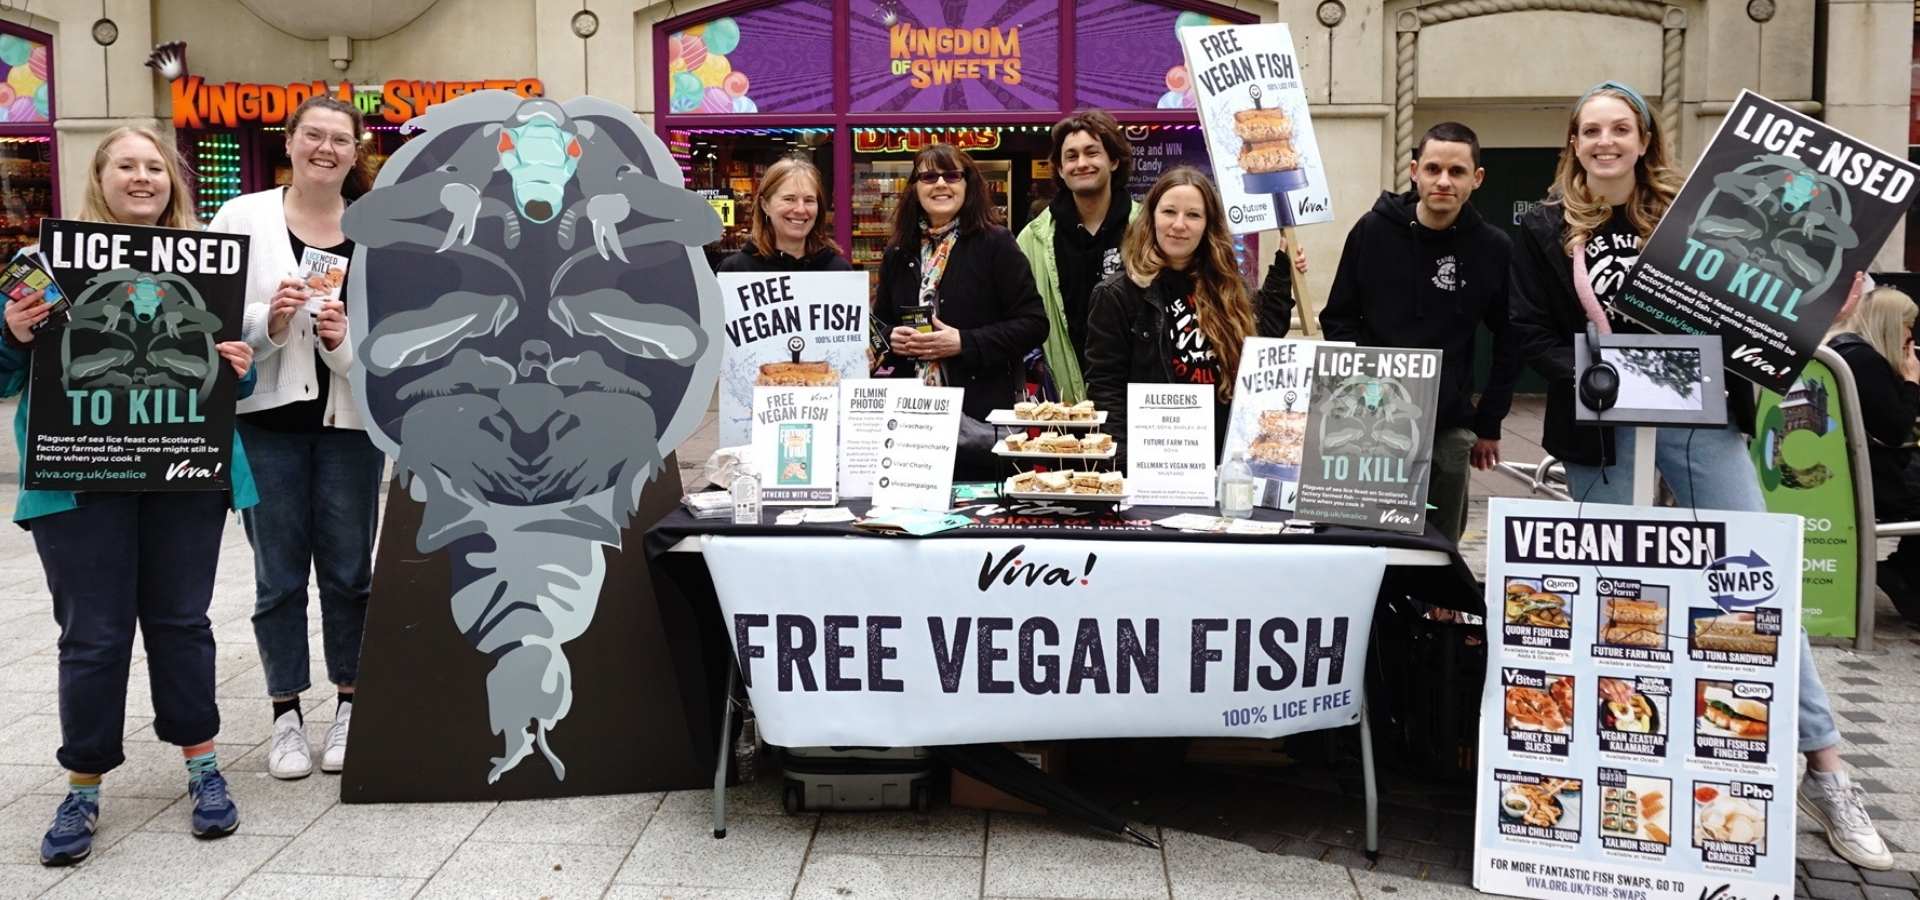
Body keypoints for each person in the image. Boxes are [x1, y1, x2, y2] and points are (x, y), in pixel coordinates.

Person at [1509, 81, 1894, 871]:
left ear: (1644, 138)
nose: (1606, 141)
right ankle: (1619, 766)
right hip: (1600, 436)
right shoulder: (1544, 227)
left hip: (1701, 421)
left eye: (1621, 128)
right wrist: (1594, 376)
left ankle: (1826, 770)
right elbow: (1528, 331)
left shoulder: (1697, 213)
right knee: (1615, 603)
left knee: (1755, 591)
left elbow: (1763, 307)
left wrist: (1824, 299)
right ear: (1573, 143)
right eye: (1591, 131)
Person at [2, 126, 255, 864]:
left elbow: (227, 380)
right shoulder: (39, 267)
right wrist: (12, 331)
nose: (142, 177)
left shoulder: (206, 267)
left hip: (181, 472)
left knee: (182, 622)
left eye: (154, 167)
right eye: (126, 166)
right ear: (100, 177)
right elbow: (4, 376)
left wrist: (236, 362)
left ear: (171, 183)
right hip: (81, 475)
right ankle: (82, 785)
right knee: (93, 635)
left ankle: (204, 767)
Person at [211, 95, 384, 781]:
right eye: (313, 134)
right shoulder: (241, 217)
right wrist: (270, 323)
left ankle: (351, 701)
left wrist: (344, 345)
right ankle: (286, 713)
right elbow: (210, 319)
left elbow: (393, 345)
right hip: (266, 430)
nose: (326, 148)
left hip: (348, 430)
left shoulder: (376, 229)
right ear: (289, 141)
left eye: (340, 139)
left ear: (355, 150)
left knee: (350, 573)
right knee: (277, 577)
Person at [1019, 110, 1306, 402]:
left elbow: (1256, 337)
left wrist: (1283, 274)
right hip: (1074, 406)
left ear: (1114, 160)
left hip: (1177, 426)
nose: (1178, 225)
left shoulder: (1208, 274)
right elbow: (1021, 317)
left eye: (1092, 152)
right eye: (1071, 156)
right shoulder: (1034, 239)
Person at [1322, 121, 1521, 543]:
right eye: (1433, 169)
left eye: (1457, 171)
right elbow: (1338, 316)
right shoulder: (1372, 232)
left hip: (1448, 421)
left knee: (1440, 542)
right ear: (1415, 171)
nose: (1443, 181)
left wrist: (1490, 423)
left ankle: (1439, 610)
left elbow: (1510, 336)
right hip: (1370, 416)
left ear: (1477, 178)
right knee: (1368, 534)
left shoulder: (1493, 248)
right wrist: (1359, 386)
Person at [1082, 167, 1294, 463]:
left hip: (1226, 458)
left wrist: (1283, 273)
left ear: (1208, 225)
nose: (1179, 224)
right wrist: (1121, 464)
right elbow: (1106, 389)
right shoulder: (1117, 294)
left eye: (1193, 215)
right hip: (1154, 461)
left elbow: (1260, 345)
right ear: (1151, 217)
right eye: (1169, 211)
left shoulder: (1228, 286)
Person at [875, 143, 1047, 477]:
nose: (940, 184)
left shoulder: (996, 244)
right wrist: (889, 337)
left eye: (952, 175)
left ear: (967, 186)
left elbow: (1034, 324)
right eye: (928, 177)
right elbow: (878, 322)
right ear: (914, 189)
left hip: (979, 424)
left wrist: (964, 343)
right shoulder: (898, 252)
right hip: (912, 424)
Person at [1824, 280, 1920, 624]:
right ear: (1893, 325)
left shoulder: (1848, 351)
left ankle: (1905, 573)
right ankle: (1903, 574)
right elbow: (1896, 429)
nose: (1911, 335)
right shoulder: (1866, 362)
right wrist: (1911, 383)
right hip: (1875, 481)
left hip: (1865, 472)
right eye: (1908, 326)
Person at [717, 157, 853, 273]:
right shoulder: (736, 270)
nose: (800, 209)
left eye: (809, 200)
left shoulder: (838, 270)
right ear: (765, 205)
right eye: (789, 199)